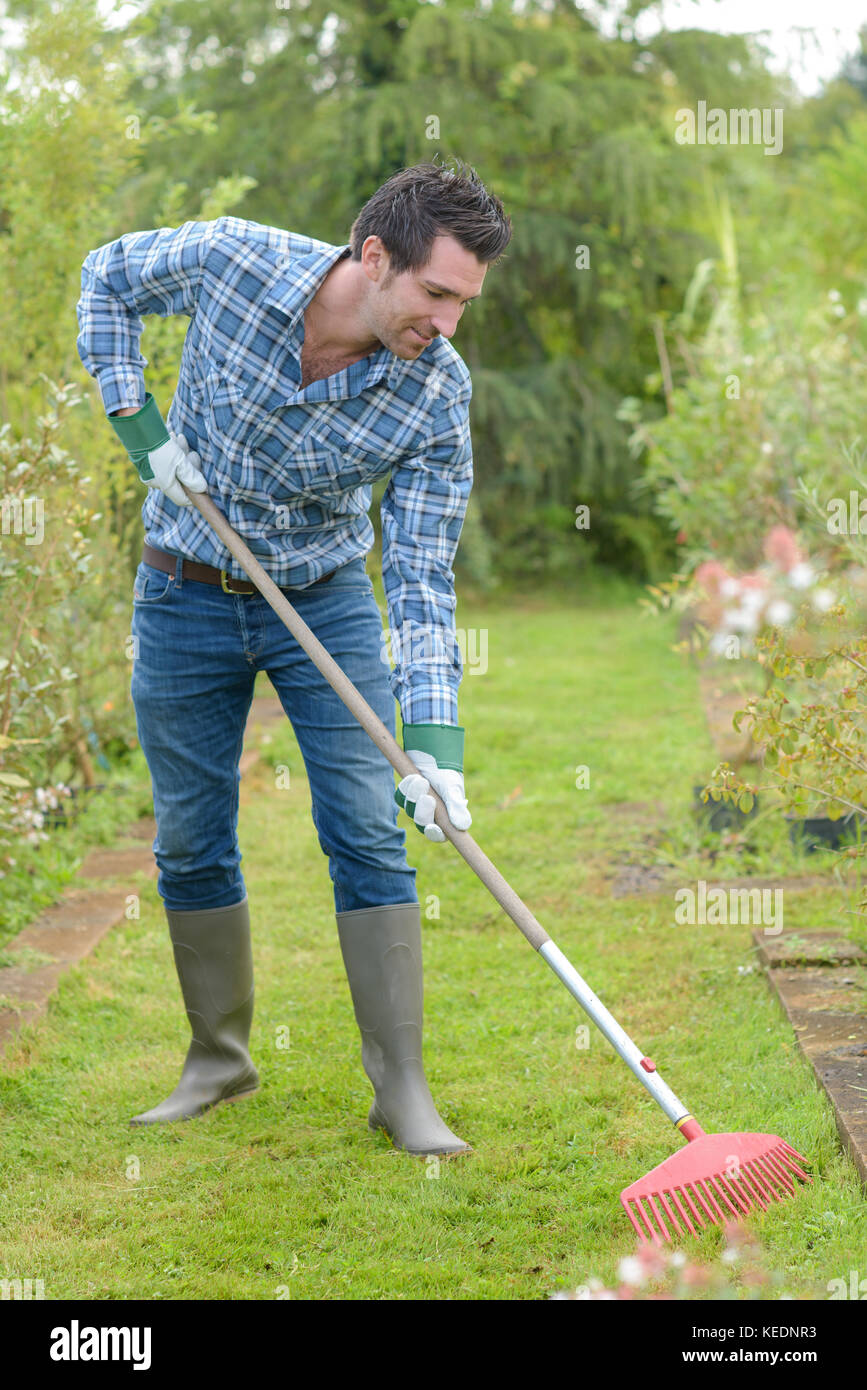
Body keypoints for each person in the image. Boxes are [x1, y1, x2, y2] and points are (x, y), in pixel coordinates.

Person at [76, 159, 512, 1156]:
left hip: (324, 600)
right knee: (188, 835)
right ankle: (217, 1061)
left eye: (464, 303)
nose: (447, 322)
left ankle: (400, 1086)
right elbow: (105, 276)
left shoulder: (435, 394)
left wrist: (435, 745)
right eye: (436, 293)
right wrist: (140, 427)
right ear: (374, 257)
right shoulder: (234, 260)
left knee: (366, 825)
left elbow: (419, 572)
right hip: (182, 585)